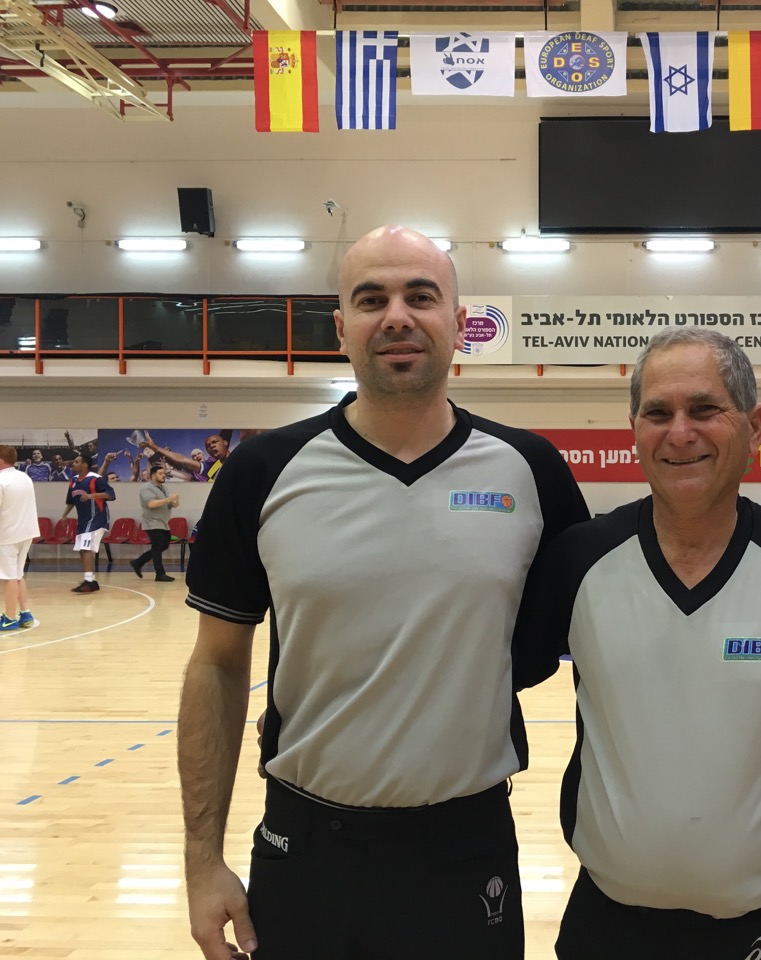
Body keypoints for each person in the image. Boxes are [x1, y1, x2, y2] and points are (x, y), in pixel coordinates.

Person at [176, 225, 588, 960]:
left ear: (461, 323)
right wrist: (202, 861)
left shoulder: (531, 469)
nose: (397, 316)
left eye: (420, 297)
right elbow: (215, 664)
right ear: (341, 328)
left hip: (467, 847)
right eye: (372, 300)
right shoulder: (264, 471)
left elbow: (581, 646)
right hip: (306, 848)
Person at [517, 329, 761, 960]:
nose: (680, 433)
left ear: (755, 427)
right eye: (658, 413)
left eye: (705, 409)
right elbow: (498, 669)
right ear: (634, 430)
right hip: (606, 924)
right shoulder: (578, 560)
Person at [58, 455, 114, 594]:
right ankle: (91, 581)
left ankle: (88, 582)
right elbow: (71, 501)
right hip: (83, 520)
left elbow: (111, 494)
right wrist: (64, 515)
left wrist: (91, 495)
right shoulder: (73, 481)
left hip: (97, 518)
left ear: (85, 465)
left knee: (86, 547)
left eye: (76, 462)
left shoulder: (95, 478)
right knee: (82, 549)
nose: (73, 464)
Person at [0, 444, 41, 631]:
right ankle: (25, 613)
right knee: (17, 574)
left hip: (7, 534)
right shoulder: (24, 477)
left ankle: (9, 618)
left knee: (8, 577)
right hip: (26, 532)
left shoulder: (1, 480)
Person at [131, 462, 179, 582]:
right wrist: (169, 499)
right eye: (160, 473)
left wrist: (175, 501)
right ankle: (160, 574)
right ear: (153, 475)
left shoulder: (163, 488)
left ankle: (138, 562)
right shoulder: (146, 488)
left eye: (164, 473)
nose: (163, 475)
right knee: (157, 546)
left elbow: (172, 504)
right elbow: (151, 504)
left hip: (163, 523)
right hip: (152, 522)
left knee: (164, 544)